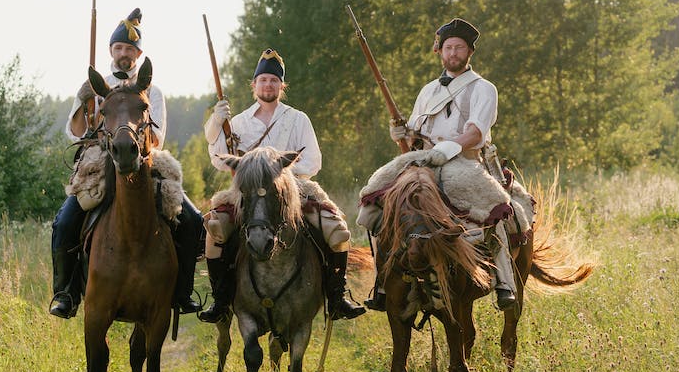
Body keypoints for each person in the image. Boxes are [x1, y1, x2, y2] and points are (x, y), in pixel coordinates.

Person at [49, 7, 204, 319]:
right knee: (64, 222)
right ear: (111, 51)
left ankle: (183, 292)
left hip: (144, 159)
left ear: (138, 53)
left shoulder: (151, 90)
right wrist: (84, 102)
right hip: (98, 161)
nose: (124, 54)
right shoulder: (97, 85)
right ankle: (65, 293)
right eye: (119, 48)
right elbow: (75, 132)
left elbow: (157, 138)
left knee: (192, 219)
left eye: (130, 49)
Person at [197, 48, 365, 323]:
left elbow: (313, 161)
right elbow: (217, 158)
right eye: (263, 80)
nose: (268, 85)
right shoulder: (237, 121)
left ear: (281, 86)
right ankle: (221, 300)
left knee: (338, 231)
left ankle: (336, 297)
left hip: (296, 189)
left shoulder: (298, 119)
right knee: (214, 232)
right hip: (246, 193)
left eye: (274, 80)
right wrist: (216, 120)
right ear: (254, 85)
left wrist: (278, 174)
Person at [369, 17, 517, 311]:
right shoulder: (427, 91)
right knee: (373, 197)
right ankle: (383, 283)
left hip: (463, 161)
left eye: (459, 48)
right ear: (441, 51)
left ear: (469, 52)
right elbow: (412, 134)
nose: (453, 53)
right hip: (423, 159)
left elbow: (476, 132)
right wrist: (400, 133)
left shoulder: (483, 88)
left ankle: (504, 282)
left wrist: (447, 150)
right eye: (449, 47)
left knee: (495, 203)